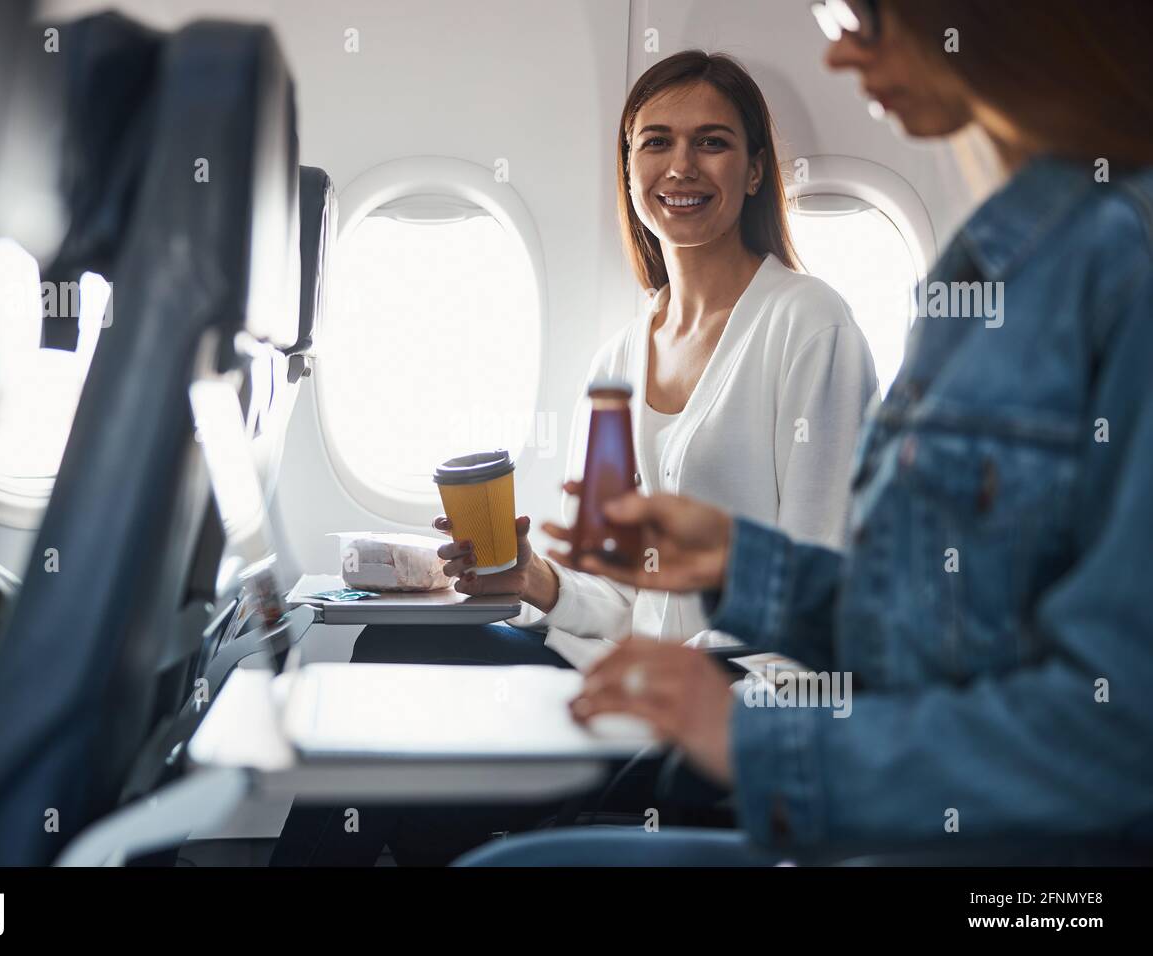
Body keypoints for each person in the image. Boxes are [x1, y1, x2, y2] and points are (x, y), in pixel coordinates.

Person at [456, 0, 1153, 867]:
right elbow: (931, 627)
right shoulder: (998, 259)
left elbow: (1115, 725)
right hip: (848, 756)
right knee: (437, 668)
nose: (843, 49)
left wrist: (753, 735)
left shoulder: (829, 319)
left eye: (863, 10)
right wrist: (726, 569)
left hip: (970, 842)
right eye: (655, 142)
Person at [272, 50, 877, 865]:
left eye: (713, 143)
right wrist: (530, 579)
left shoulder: (811, 325)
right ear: (629, 169)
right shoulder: (619, 357)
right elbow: (621, 590)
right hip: (622, 674)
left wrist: (668, 679)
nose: (681, 166)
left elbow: (821, 591)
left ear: (757, 169)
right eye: (655, 142)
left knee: (427, 790)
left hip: (732, 695)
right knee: (391, 656)